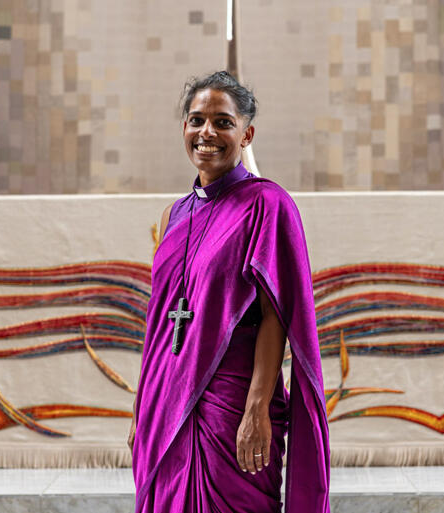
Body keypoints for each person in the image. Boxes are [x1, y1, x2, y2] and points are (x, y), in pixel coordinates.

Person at [129, 71, 330, 512]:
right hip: (168, 401)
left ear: (246, 133)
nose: (207, 132)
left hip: (233, 403)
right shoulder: (172, 216)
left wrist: (257, 407)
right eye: (197, 119)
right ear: (184, 128)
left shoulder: (267, 205)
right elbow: (162, 321)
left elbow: (276, 315)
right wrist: (143, 404)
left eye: (223, 122)